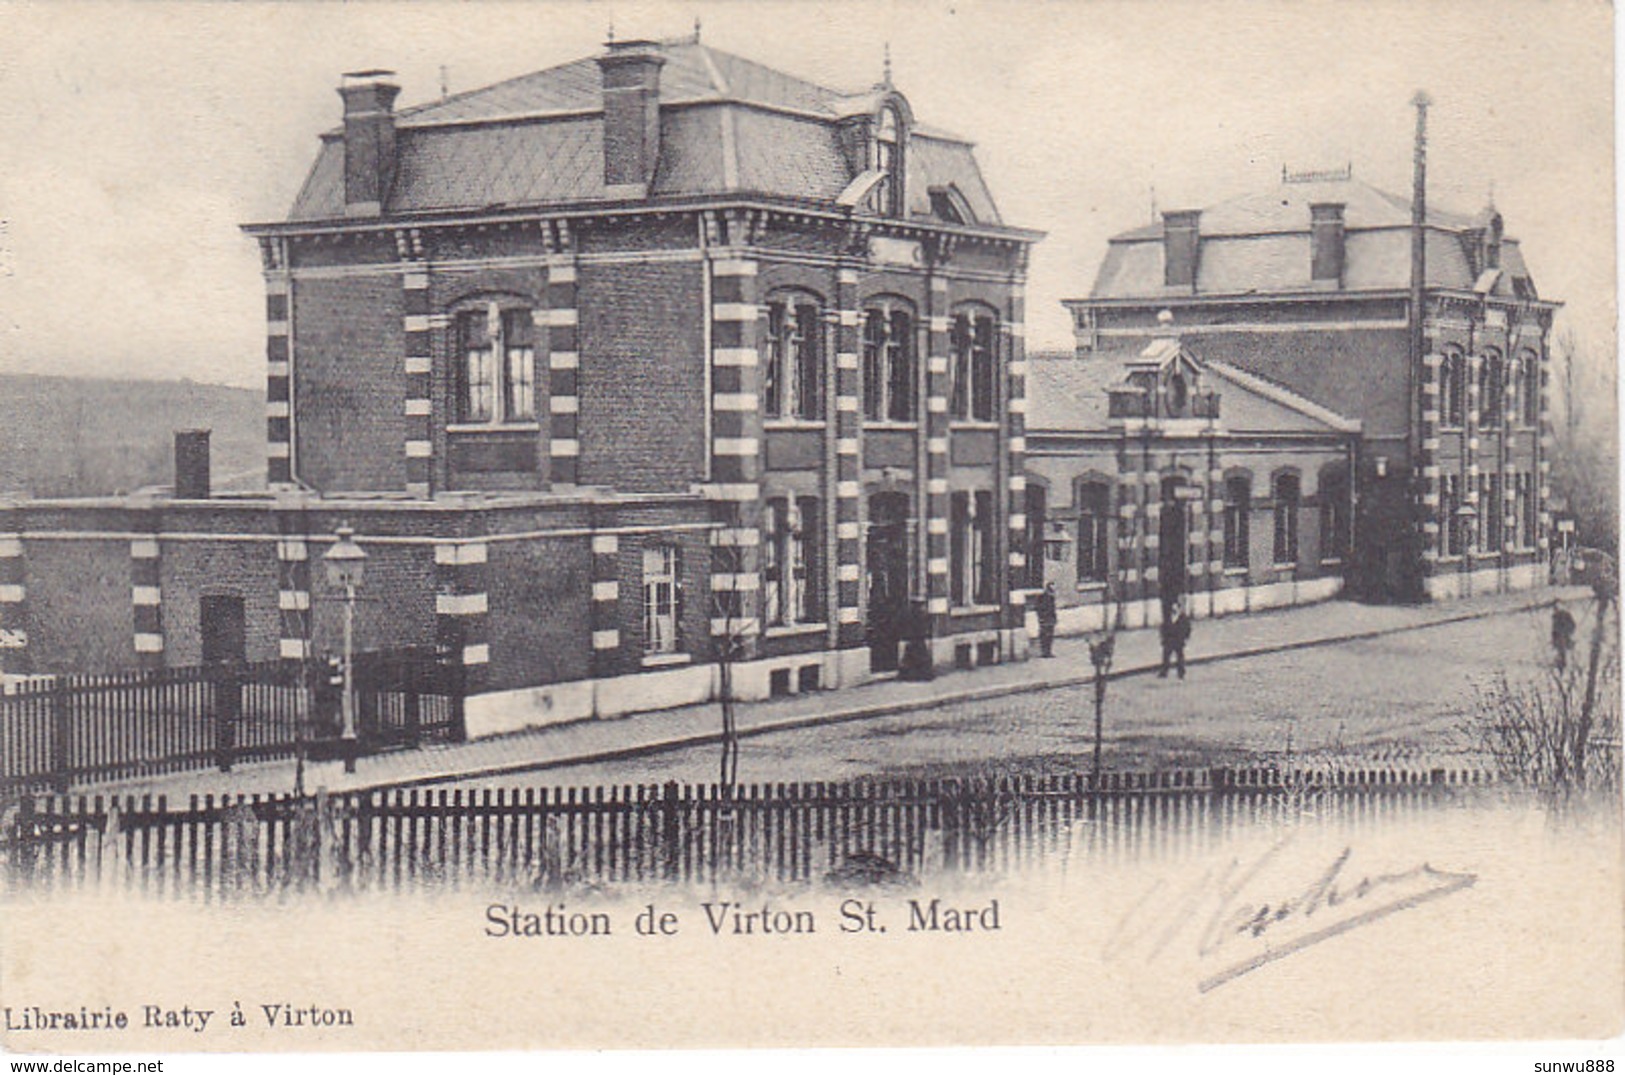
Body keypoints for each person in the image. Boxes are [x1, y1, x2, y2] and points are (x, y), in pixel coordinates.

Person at [1158, 597, 1191, 679]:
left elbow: (1187, 628)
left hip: (1178, 640)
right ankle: (1164, 671)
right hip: (1169, 640)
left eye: (1176, 608)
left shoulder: (1182, 618)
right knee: (1166, 656)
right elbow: (1163, 628)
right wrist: (1163, 637)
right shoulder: (1168, 618)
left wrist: (1185, 638)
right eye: (1173, 608)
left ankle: (1181, 672)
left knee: (1179, 656)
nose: (1174, 610)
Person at [1551, 602, 1577, 672]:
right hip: (1562, 637)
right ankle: (1562, 661)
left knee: (1562, 649)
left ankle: (1562, 662)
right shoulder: (1557, 617)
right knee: (1561, 650)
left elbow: (1572, 626)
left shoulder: (1562, 616)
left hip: (1563, 636)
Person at [1035, 583, 1058, 658]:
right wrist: (1041, 618)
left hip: (1050, 619)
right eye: (1052, 589)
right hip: (1045, 619)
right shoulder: (1043, 598)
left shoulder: (1051, 597)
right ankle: (1045, 652)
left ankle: (1048, 651)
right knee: (1045, 635)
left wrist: (1054, 618)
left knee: (1049, 635)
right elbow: (1040, 609)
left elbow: (1053, 610)